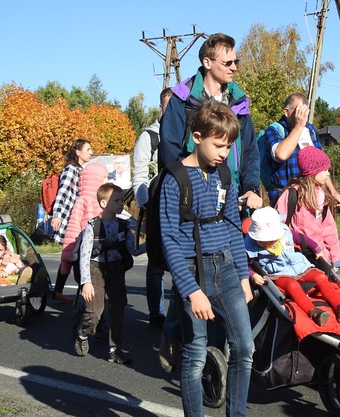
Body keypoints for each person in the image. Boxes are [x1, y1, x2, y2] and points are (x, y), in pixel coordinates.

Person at [159, 100, 253, 416]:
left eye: (228, 146)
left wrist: (243, 275)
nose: (223, 153)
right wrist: (192, 291)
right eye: (218, 144)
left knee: (244, 349)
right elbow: (169, 239)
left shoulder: (223, 175)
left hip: (225, 266)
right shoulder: (174, 178)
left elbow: (231, 227)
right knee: (196, 354)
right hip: (191, 272)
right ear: (197, 137)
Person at [158, 32, 262, 210]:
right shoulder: (182, 99)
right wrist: (190, 188)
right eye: (227, 63)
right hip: (193, 197)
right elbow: (170, 150)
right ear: (207, 63)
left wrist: (252, 189)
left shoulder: (239, 102)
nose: (233, 68)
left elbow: (250, 151)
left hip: (234, 198)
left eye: (235, 62)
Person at [245, 207, 340, 326]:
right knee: (292, 285)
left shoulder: (286, 232)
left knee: (321, 277)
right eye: (263, 241)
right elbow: (244, 265)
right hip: (278, 273)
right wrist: (253, 275)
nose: (267, 243)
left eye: (270, 240)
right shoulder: (250, 246)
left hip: (300, 266)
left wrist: (317, 250)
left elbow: (304, 240)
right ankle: (314, 312)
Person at [74, 183, 145, 365]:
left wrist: (152, 244)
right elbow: (84, 256)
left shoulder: (123, 225)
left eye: (122, 200)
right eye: (116, 200)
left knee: (118, 310)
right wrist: (86, 282)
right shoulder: (93, 226)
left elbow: (133, 250)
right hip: (95, 269)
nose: (121, 203)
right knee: (95, 313)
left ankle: (115, 349)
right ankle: (83, 333)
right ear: (104, 204)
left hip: (116, 270)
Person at [132, 87, 173, 329]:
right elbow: (139, 175)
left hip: (179, 207)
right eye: (170, 105)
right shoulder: (149, 137)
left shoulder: (186, 134)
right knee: (156, 263)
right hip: (156, 206)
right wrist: (145, 206)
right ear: (161, 107)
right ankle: (156, 313)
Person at [264, 93, 340, 207]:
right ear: (287, 112)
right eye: (299, 111)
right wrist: (299, 127)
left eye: (305, 111)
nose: (303, 116)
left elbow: (320, 166)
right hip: (284, 198)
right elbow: (281, 155)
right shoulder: (274, 130)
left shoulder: (310, 130)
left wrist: (333, 192)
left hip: (310, 198)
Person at [275, 146, 340, 269]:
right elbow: (278, 226)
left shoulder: (321, 196)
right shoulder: (291, 195)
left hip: (321, 258)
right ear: (313, 172)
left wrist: (335, 257)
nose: (328, 174)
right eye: (325, 170)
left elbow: (329, 229)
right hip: (296, 258)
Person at [51, 139, 93, 302]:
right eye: (87, 149)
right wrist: (57, 215)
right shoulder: (71, 169)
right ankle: (83, 293)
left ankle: (58, 291)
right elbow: (62, 192)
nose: (91, 152)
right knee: (75, 254)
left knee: (69, 254)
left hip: (75, 217)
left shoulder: (79, 169)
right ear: (77, 152)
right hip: (69, 218)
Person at [61, 162, 109, 283]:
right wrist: (68, 258)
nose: (107, 180)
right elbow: (73, 230)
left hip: (102, 251)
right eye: (105, 177)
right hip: (86, 252)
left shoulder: (104, 201)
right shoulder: (83, 201)